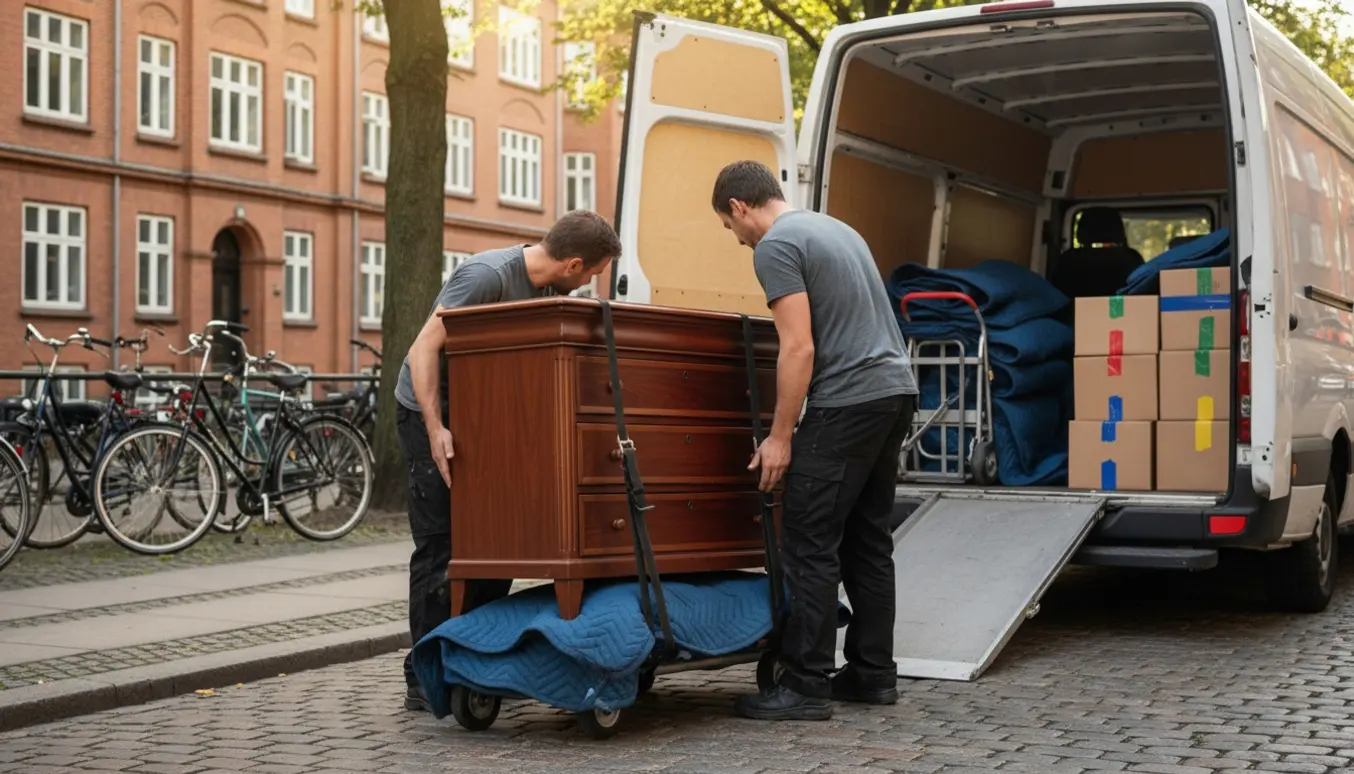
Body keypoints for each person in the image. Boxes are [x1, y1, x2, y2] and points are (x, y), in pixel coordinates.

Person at [711, 160, 918, 721]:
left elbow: (798, 347)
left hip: (847, 400)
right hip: (895, 390)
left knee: (808, 539)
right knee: (868, 541)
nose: (738, 239)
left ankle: (805, 684)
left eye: (732, 228)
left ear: (739, 206)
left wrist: (780, 437)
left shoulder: (775, 246)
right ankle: (873, 675)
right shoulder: (836, 228)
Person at [395, 210, 622, 712]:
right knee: (440, 544)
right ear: (574, 263)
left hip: (486, 420)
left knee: (496, 539)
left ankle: (477, 658)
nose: (588, 285)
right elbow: (422, 350)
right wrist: (436, 430)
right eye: (591, 275)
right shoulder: (487, 276)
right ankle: (425, 671)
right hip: (432, 412)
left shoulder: (551, 291)